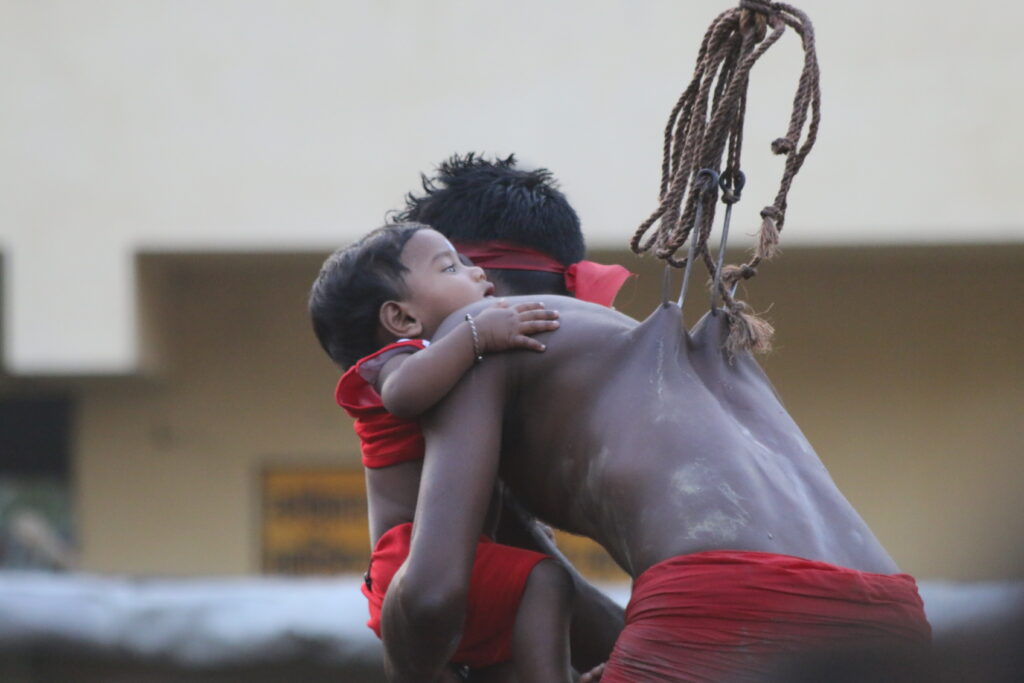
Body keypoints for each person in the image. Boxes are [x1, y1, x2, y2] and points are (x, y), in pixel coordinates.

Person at [377, 292, 933, 681]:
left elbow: (431, 595)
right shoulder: (683, 354)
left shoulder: (480, 332)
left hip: (726, 602)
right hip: (895, 618)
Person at [310, 222, 574, 682]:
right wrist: (475, 335)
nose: (477, 274)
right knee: (547, 581)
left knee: (503, 658)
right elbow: (403, 396)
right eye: (451, 267)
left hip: (464, 557)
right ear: (402, 320)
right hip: (410, 560)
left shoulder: (449, 368)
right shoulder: (394, 363)